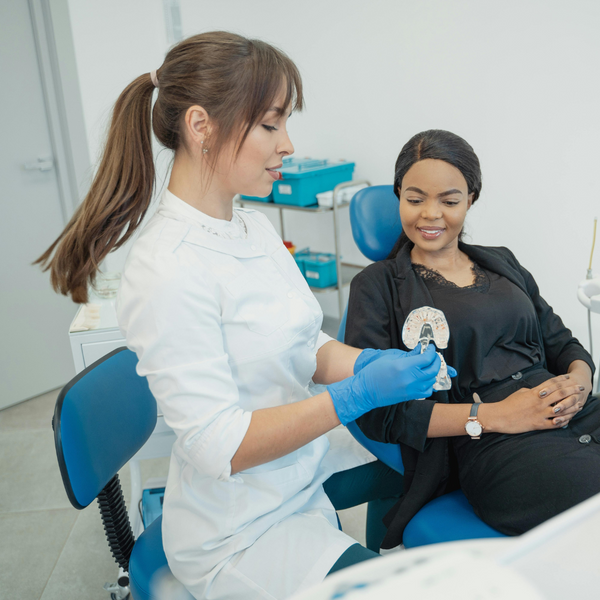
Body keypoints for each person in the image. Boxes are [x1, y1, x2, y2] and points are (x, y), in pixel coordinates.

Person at [36, 32, 444, 599]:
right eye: (271, 124)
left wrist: (368, 364)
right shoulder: (167, 269)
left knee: (442, 458)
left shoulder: (248, 225)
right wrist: (354, 396)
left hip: (295, 472)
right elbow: (219, 445)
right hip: (239, 529)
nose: (288, 144)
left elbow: (304, 345)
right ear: (202, 125)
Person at [345, 129, 600, 549]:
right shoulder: (378, 286)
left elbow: (562, 342)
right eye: (414, 199)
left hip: (574, 411)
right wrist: (498, 416)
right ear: (398, 197)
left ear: (471, 199)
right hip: (497, 445)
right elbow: (377, 413)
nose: (431, 214)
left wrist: (580, 381)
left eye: (449, 200)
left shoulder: (501, 261)